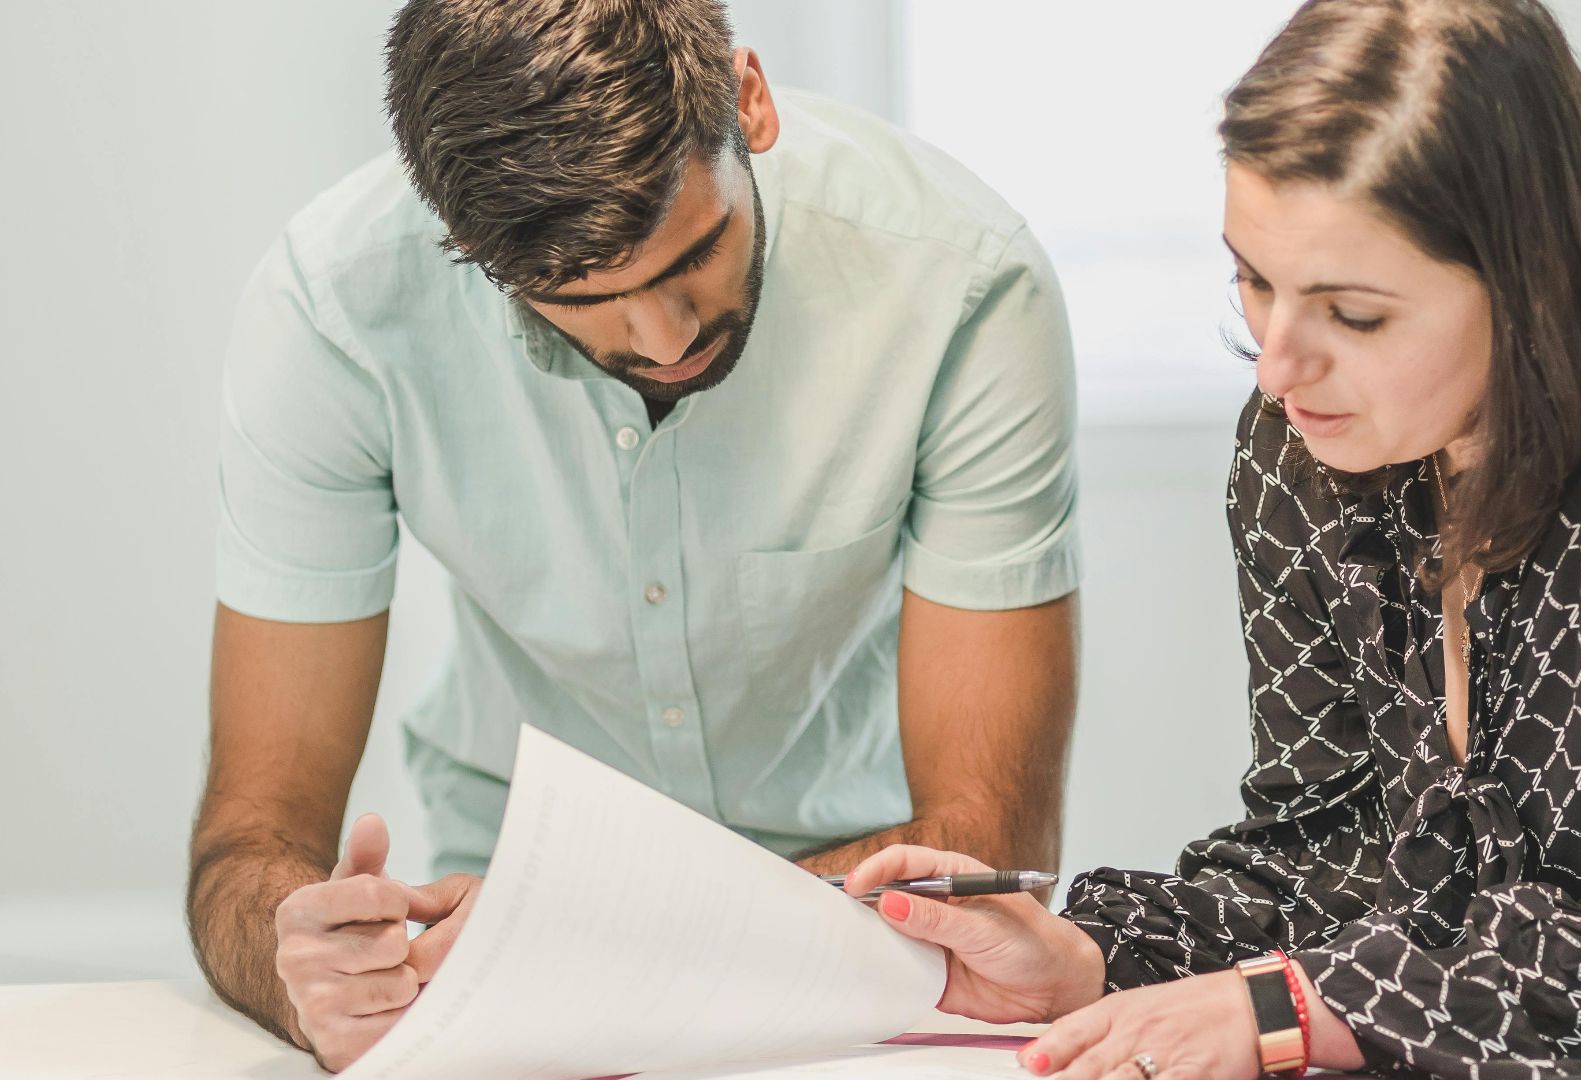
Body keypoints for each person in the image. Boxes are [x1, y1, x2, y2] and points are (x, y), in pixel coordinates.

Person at [845, 0, 1581, 1076]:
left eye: (1353, 315)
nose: (1276, 362)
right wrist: (1093, 957)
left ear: (1530, 280)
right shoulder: (1305, 448)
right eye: (1253, 280)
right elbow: (1329, 859)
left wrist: (1292, 1008)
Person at [187, 0, 1082, 1070]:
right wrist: (304, 978)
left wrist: (584, 947)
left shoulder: (965, 282)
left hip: (868, 934)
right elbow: (250, 844)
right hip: (504, 918)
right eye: (588, 299)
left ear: (747, 100)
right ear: (466, 247)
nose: (668, 339)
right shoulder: (333, 311)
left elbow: (986, 845)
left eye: (694, 253)